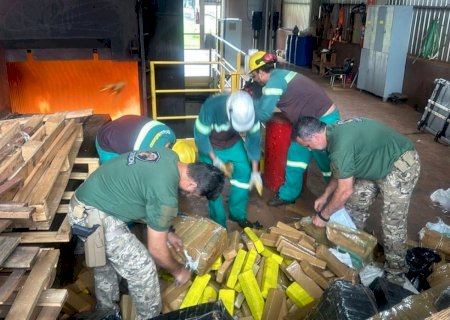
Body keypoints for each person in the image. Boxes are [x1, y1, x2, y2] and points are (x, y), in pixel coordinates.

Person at [68, 148, 225, 319]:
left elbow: (146, 193)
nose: (192, 196)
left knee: (106, 260)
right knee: (143, 268)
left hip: (89, 199)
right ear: (192, 185)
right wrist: (178, 270)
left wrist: (166, 231)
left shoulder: (170, 156)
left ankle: (106, 310)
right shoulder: (166, 196)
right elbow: (157, 250)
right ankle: (148, 316)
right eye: (196, 194)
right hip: (91, 214)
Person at [294, 116, 421, 284]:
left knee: (392, 223)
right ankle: (354, 249)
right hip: (376, 161)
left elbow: (344, 191)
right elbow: (341, 170)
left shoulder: (339, 145)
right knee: (354, 205)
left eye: (308, 146)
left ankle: (395, 274)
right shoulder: (331, 133)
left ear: (315, 137)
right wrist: (325, 196)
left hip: (400, 165)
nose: (310, 150)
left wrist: (323, 216)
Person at [248, 51, 340, 207]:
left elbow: (264, 113)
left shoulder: (274, 83)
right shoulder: (278, 75)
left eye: (254, 76)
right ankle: (288, 194)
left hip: (324, 120)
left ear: (261, 72)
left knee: (326, 164)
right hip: (305, 123)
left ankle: (337, 201)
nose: (255, 80)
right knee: (295, 158)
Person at [194, 91, 262, 229]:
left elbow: (254, 142)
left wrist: (255, 171)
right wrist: (215, 160)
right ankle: (219, 223)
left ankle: (237, 214)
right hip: (210, 145)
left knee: (244, 173)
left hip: (233, 143)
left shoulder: (252, 111)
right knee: (212, 183)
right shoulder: (211, 107)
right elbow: (201, 137)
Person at [96, 115, 196, 164]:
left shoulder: (170, 134)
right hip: (105, 140)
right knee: (115, 176)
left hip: (122, 126)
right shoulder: (147, 153)